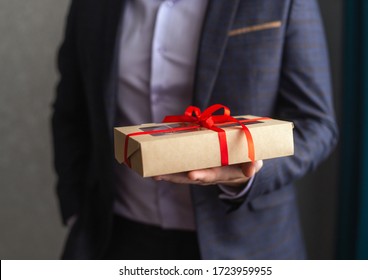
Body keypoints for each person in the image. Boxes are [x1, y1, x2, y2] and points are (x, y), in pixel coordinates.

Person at [52, 0, 338, 259]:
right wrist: (75, 207)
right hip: (117, 235)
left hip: (244, 242)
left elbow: (316, 124)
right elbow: (71, 110)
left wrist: (249, 175)